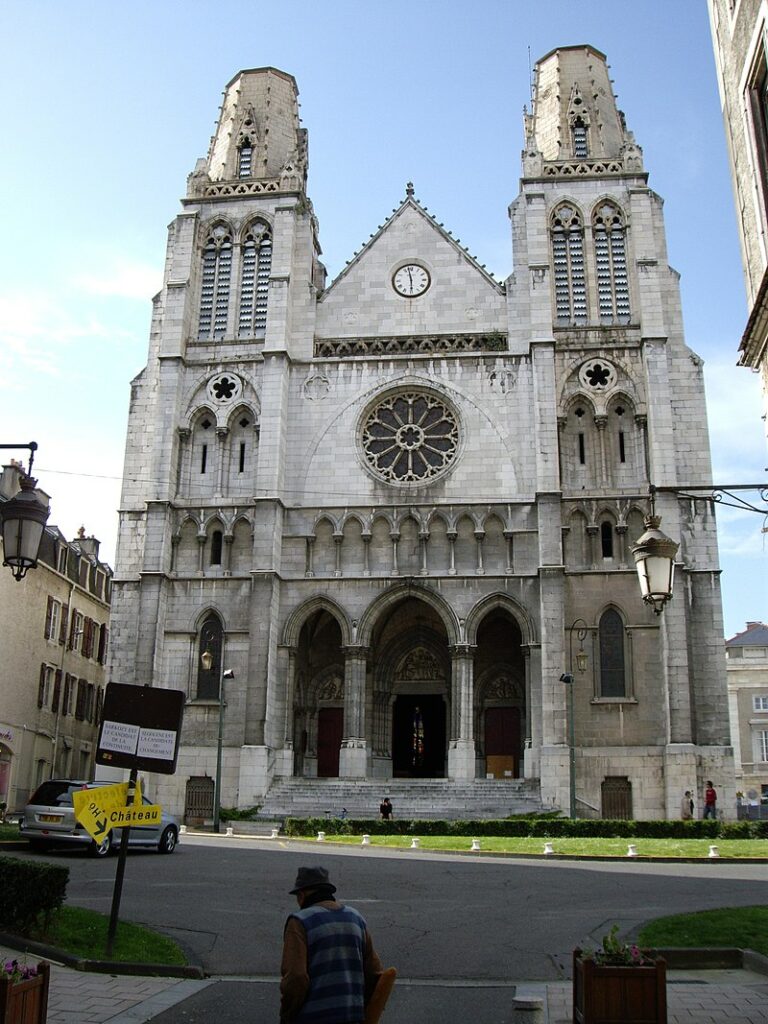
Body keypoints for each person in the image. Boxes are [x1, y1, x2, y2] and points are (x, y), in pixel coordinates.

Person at [280, 865, 383, 1024]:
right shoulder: (355, 918)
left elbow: (296, 978)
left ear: (301, 895)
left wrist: (287, 1015)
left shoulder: (299, 921)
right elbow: (375, 973)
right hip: (353, 1016)